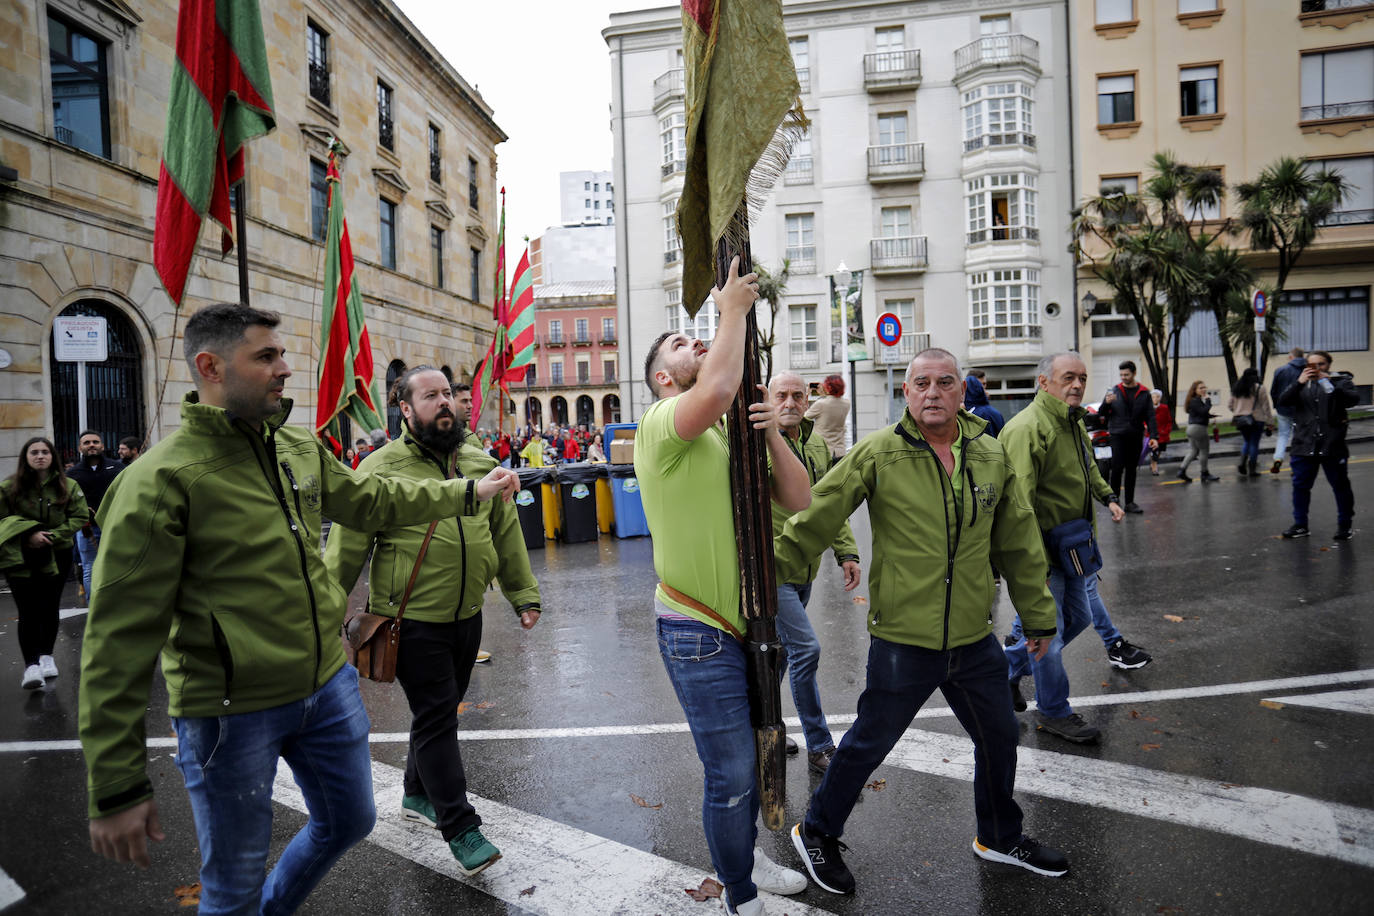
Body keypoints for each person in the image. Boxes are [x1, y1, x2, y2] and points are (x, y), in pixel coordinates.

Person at [78, 303, 519, 913]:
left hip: (324, 689)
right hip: (228, 713)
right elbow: (115, 644)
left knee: (348, 822)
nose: (286, 368)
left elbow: (373, 497)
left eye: (281, 353)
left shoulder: (297, 446)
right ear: (209, 366)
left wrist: (469, 490)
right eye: (266, 356)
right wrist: (116, 783)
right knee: (231, 886)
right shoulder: (158, 482)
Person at [778, 348, 1068, 896]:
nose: (932, 392)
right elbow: (821, 509)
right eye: (921, 384)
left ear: (962, 391)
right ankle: (815, 831)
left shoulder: (990, 454)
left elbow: (1019, 540)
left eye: (945, 383)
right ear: (906, 394)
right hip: (903, 640)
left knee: (1000, 736)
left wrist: (1038, 616)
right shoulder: (881, 452)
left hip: (972, 637)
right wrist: (767, 572)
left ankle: (1000, 836)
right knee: (868, 743)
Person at [636, 257, 813, 916]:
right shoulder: (663, 426)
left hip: (749, 628)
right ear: (663, 377)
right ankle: (738, 893)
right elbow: (712, 388)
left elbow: (798, 498)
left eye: (697, 338)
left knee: (751, 760)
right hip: (695, 629)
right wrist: (731, 309)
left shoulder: (723, 431)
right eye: (683, 344)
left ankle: (742, 860)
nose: (698, 344)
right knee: (733, 770)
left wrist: (769, 436)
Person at [325, 366, 540, 877]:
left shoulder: (479, 461)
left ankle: (417, 794)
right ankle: (460, 825)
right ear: (405, 409)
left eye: (449, 394)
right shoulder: (379, 468)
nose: (446, 403)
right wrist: (319, 618)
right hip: (409, 621)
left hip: (468, 616)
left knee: (436, 713)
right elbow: (345, 552)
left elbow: (504, 531)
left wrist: (522, 594)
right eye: (431, 396)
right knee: (439, 713)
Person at [999, 353, 1150, 745]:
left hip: (1074, 550)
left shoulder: (1073, 422)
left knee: (1078, 619)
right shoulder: (1027, 429)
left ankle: (1004, 672)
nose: (1078, 385)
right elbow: (1019, 507)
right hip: (1045, 555)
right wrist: (1034, 568)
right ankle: (1053, 712)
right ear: (1043, 381)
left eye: (1082, 378)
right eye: (1068, 377)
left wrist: (1108, 496)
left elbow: (1088, 469)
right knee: (1048, 636)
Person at [768, 372, 862, 773]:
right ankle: (820, 745)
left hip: (805, 569)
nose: (789, 402)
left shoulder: (818, 445)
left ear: (809, 402)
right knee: (805, 649)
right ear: (769, 401)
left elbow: (828, 505)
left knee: (780, 657)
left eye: (797, 396)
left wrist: (846, 552)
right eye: (781, 396)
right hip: (771, 569)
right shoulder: (756, 444)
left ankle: (765, 729)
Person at [2, 437, 88, 689]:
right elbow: (2, 519)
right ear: (25, 457)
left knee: (49, 606)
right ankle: (31, 666)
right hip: (18, 555)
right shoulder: (9, 487)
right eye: (34, 452)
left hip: (57, 553)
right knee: (27, 609)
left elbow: (79, 515)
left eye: (45, 452)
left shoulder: (68, 485)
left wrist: (51, 536)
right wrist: (28, 535)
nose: (40, 456)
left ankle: (47, 657)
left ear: (53, 456)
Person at [1279, 350, 1358, 540]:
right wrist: (1299, 382)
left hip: (1332, 445)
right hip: (1304, 445)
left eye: (1320, 364)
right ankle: (1300, 525)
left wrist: (1327, 381)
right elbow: (1283, 402)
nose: (1316, 368)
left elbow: (1352, 400)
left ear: (1328, 365)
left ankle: (1344, 525)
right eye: (1311, 365)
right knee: (1300, 487)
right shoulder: (1300, 384)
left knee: (1340, 486)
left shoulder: (1340, 382)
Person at [65, 430, 124, 605]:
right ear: (80, 447)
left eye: (95, 442)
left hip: (115, 526)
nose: (91, 445)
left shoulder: (118, 468)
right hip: (87, 528)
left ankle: (117, 606)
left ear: (102, 446)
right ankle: (94, 608)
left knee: (117, 566)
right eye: (87, 442)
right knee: (90, 568)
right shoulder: (72, 474)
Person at [1097, 360, 1157, 514]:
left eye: (1126, 374)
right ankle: (1115, 502)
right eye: (1121, 375)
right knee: (1116, 469)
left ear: (1134, 374)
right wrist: (1106, 403)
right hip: (1117, 435)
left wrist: (1154, 436)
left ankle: (1130, 503)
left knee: (1132, 469)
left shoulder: (1144, 392)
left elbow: (1150, 416)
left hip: (1136, 435)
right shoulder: (1114, 391)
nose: (1123, 377)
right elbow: (1102, 413)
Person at [1227, 368, 1274, 478]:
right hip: (1257, 419)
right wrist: (1270, 422)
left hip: (1241, 420)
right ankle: (1252, 470)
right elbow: (1265, 406)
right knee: (1254, 443)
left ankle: (1242, 464)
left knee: (1247, 441)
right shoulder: (1259, 388)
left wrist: (1239, 411)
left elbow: (1230, 405)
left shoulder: (1237, 388)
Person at [1269, 347, 1306, 474]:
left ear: (1291, 357)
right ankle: (1296, 464)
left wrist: (1277, 405)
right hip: (1302, 409)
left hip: (1283, 409)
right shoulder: (1307, 370)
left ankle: (1278, 458)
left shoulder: (1280, 370)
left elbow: (1273, 391)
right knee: (1298, 436)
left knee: (1283, 435)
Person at [1177, 380, 1220, 483]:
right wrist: (1208, 400)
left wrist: (1210, 416)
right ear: (1194, 390)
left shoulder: (1194, 400)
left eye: (1205, 387)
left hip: (1191, 428)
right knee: (1204, 451)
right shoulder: (1195, 400)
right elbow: (1204, 411)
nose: (1204, 389)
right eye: (1201, 388)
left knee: (1194, 451)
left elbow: (1201, 413)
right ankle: (1204, 473)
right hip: (1199, 429)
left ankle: (1181, 471)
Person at [804, 374, 849, 460]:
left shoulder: (821, 404)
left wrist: (807, 395)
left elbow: (804, 417)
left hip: (824, 451)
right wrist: (825, 394)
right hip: (840, 451)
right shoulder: (846, 404)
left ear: (828, 387)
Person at [1148, 390, 1172, 476]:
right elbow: (1143, 419)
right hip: (1151, 434)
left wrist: (1166, 430)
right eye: (1153, 397)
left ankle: (1153, 463)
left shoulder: (1164, 408)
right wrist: (1145, 426)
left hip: (1162, 434)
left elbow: (1169, 421)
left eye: (1157, 397)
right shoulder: (1148, 408)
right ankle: (1155, 468)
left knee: (1160, 450)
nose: (1155, 399)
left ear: (1160, 398)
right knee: (1154, 450)